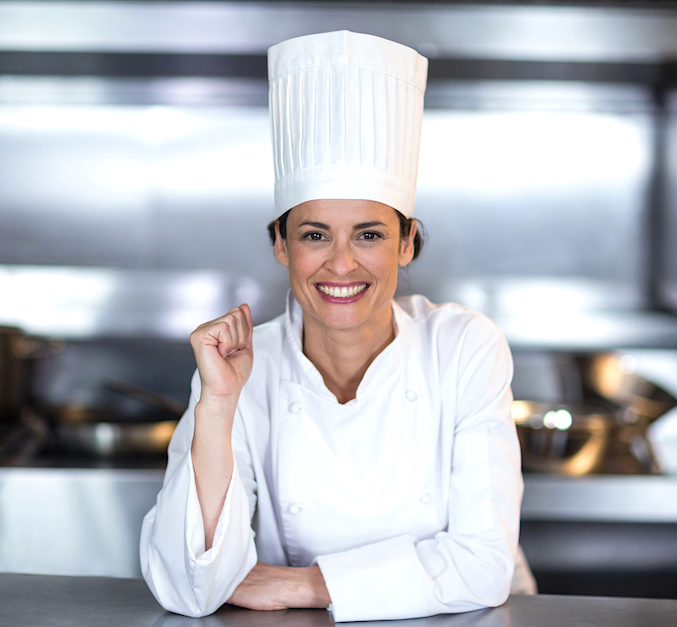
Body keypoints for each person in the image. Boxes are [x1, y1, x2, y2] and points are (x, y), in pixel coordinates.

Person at [140, 30, 535, 622]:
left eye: (369, 235)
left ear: (406, 243)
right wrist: (218, 403)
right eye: (315, 234)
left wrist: (308, 586)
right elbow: (188, 588)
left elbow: (482, 567)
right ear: (280, 244)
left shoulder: (462, 347)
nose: (342, 263)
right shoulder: (240, 365)